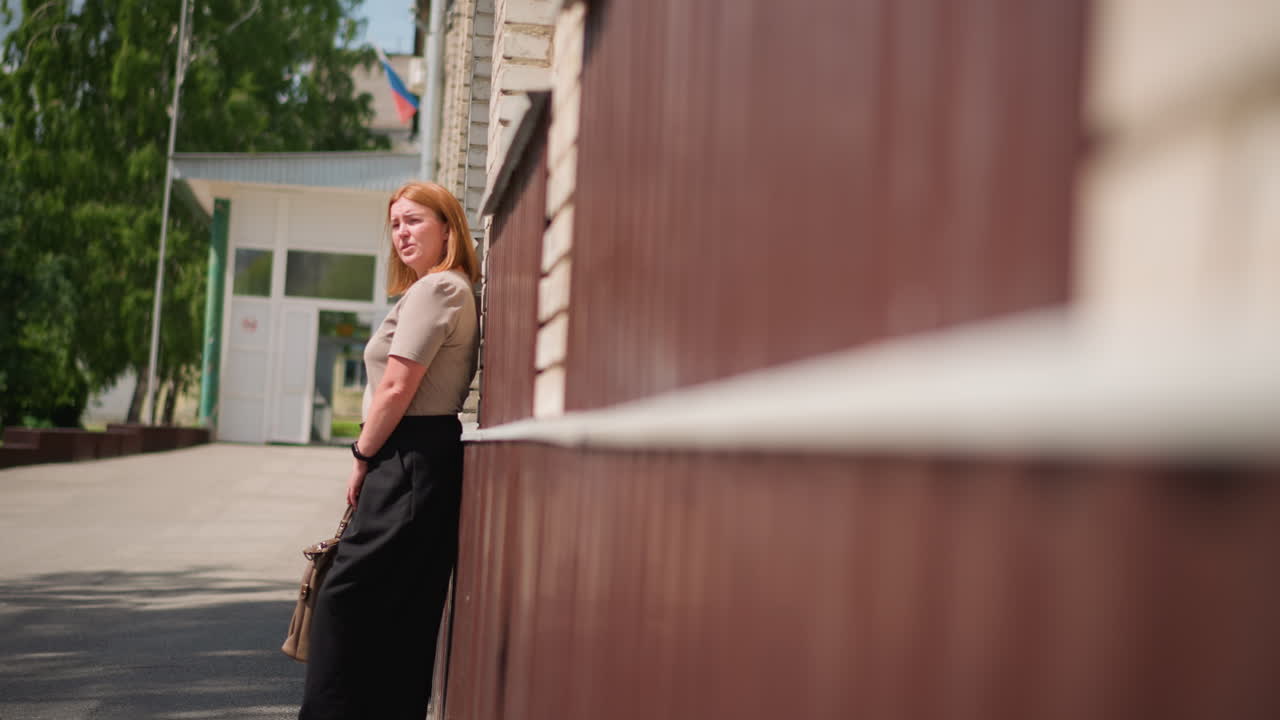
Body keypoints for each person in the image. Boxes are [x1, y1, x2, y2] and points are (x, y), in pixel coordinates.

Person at [299, 181, 480, 720]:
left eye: (414, 221)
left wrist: (361, 453)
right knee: (400, 612)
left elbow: (399, 387)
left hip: (409, 459)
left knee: (343, 600)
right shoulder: (443, 288)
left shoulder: (438, 290)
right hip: (418, 457)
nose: (402, 232)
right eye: (396, 224)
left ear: (448, 227)